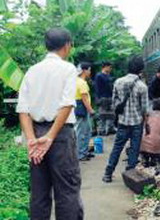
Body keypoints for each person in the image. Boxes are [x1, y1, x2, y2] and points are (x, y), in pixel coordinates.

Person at [16, 28, 84, 219]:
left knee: (39, 193)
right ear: (67, 45)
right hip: (60, 134)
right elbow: (67, 104)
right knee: (67, 191)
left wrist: (32, 140)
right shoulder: (68, 68)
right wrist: (50, 137)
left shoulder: (32, 71)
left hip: (35, 134)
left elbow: (23, 109)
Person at [103, 56, 149, 183]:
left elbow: (114, 103)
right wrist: (146, 123)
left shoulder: (118, 82)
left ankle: (108, 173)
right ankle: (130, 175)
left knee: (117, 148)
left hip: (122, 122)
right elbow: (145, 109)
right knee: (134, 150)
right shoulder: (142, 86)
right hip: (136, 123)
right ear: (140, 69)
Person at [75, 62, 96, 161]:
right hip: (82, 109)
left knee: (85, 131)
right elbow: (84, 99)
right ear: (84, 70)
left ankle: (84, 151)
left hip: (78, 108)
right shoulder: (82, 83)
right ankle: (81, 154)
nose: (90, 72)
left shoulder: (76, 81)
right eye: (89, 70)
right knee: (82, 132)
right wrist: (91, 110)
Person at [94, 61, 115, 135]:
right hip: (102, 97)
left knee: (111, 114)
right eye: (109, 67)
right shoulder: (99, 76)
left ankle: (110, 128)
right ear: (105, 67)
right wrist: (98, 98)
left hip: (110, 97)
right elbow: (97, 88)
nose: (110, 69)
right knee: (102, 115)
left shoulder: (108, 75)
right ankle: (102, 130)